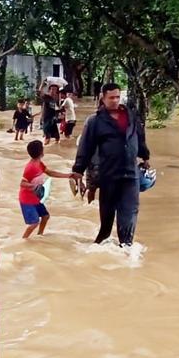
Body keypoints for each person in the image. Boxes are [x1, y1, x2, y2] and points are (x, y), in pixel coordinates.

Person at [71, 83, 150, 246]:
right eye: (111, 97)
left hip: (130, 174)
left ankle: (126, 248)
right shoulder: (95, 122)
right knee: (106, 219)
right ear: (103, 98)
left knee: (129, 214)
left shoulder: (131, 116)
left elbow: (139, 138)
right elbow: (86, 147)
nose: (115, 100)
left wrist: (145, 156)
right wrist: (78, 170)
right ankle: (100, 245)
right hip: (108, 175)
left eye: (117, 97)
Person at [19, 140, 73, 239]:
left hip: (35, 198)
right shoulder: (30, 167)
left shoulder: (39, 164)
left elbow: (50, 173)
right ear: (41, 152)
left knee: (45, 216)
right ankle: (23, 240)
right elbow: (22, 183)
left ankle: (40, 236)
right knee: (34, 223)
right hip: (26, 200)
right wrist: (34, 187)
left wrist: (68, 175)